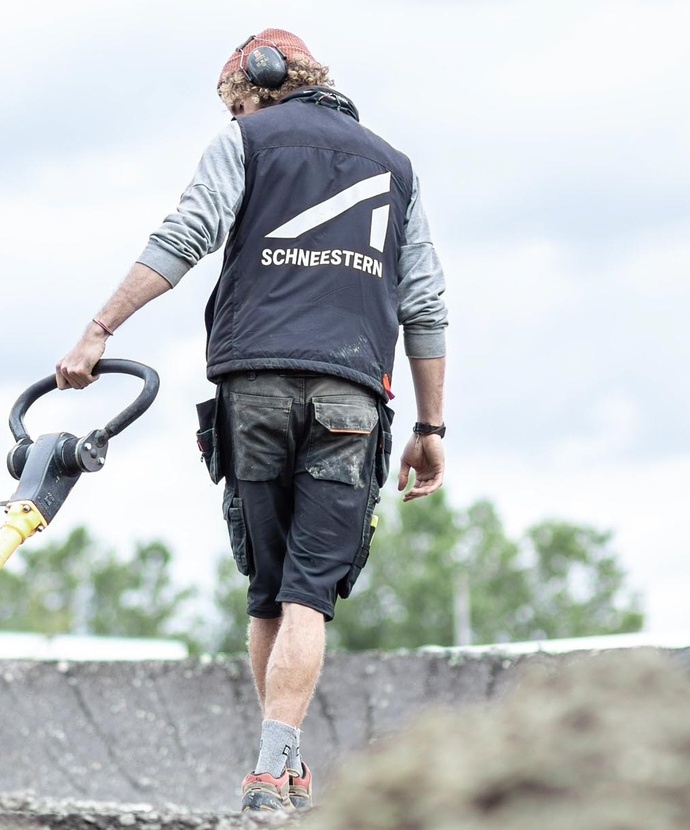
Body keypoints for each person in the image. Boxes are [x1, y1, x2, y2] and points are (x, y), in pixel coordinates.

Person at [53, 28, 448, 814]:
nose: (233, 110)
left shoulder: (247, 138)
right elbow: (425, 303)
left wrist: (101, 329)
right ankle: (275, 768)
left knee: (268, 592)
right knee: (306, 594)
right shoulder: (396, 170)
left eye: (234, 99)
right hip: (350, 398)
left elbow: (185, 237)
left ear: (258, 83)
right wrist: (431, 429)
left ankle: (278, 765)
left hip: (255, 385)